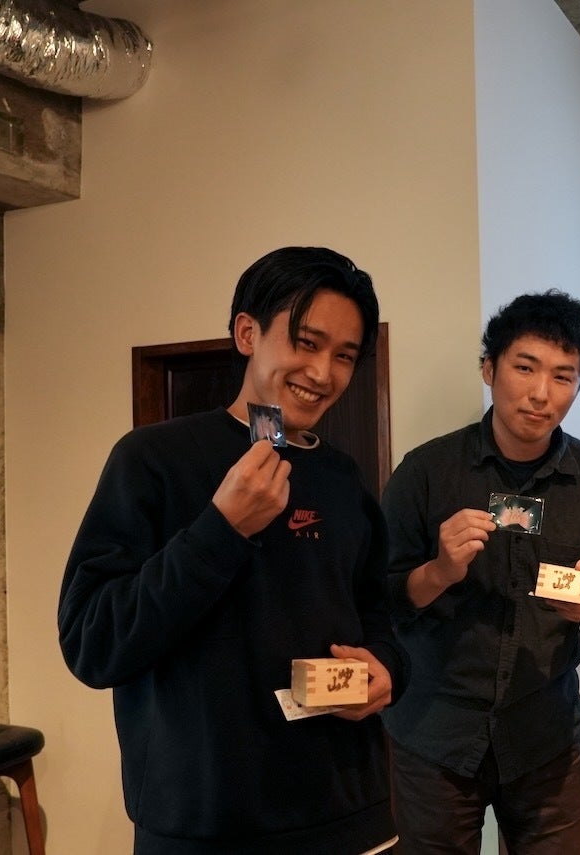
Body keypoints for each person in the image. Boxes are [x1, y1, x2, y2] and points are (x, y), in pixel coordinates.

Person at [58, 246, 407, 855]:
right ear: (248, 333)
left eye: (344, 356)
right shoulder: (154, 459)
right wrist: (221, 528)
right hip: (206, 823)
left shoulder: (342, 477)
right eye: (306, 342)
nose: (322, 372)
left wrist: (387, 669)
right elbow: (94, 642)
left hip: (351, 813)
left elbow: (379, 615)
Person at [381, 290, 580, 853]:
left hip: (545, 737)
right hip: (435, 735)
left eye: (564, 377)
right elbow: (384, 599)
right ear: (489, 369)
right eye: (525, 367)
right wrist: (440, 570)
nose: (542, 393)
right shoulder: (426, 472)